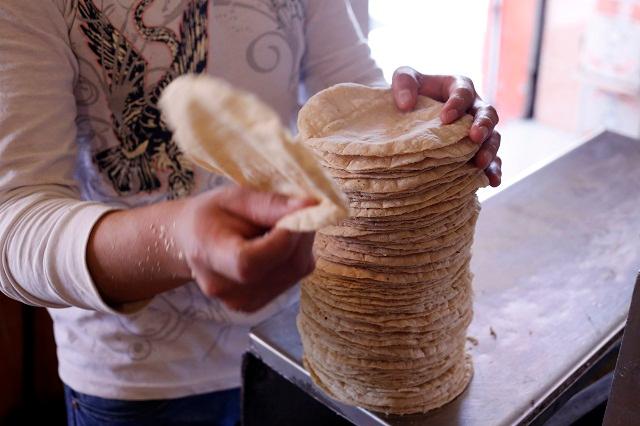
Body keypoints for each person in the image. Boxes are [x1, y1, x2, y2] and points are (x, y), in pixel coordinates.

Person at [0, 1, 502, 425]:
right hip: (138, 382)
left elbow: (345, 95)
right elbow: (13, 221)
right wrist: (179, 237)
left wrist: (413, 120)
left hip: (301, 342)